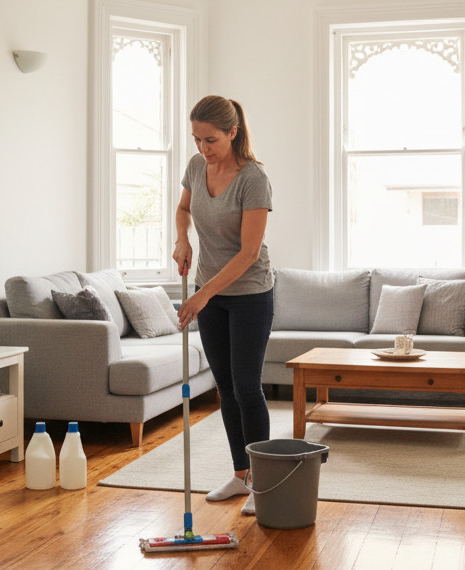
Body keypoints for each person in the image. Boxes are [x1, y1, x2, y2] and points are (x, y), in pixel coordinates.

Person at [172, 95, 274, 515]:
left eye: (210, 139)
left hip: (249, 294)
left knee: (248, 388)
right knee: (226, 390)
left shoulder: (253, 178)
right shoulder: (197, 167)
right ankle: (240, 475)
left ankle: (265, 485)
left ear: (233, 133)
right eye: (196, 139)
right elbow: (183, 208)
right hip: (209, 295)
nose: (202, 148)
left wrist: (203, 294)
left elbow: (248, 253)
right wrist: (182, 239)